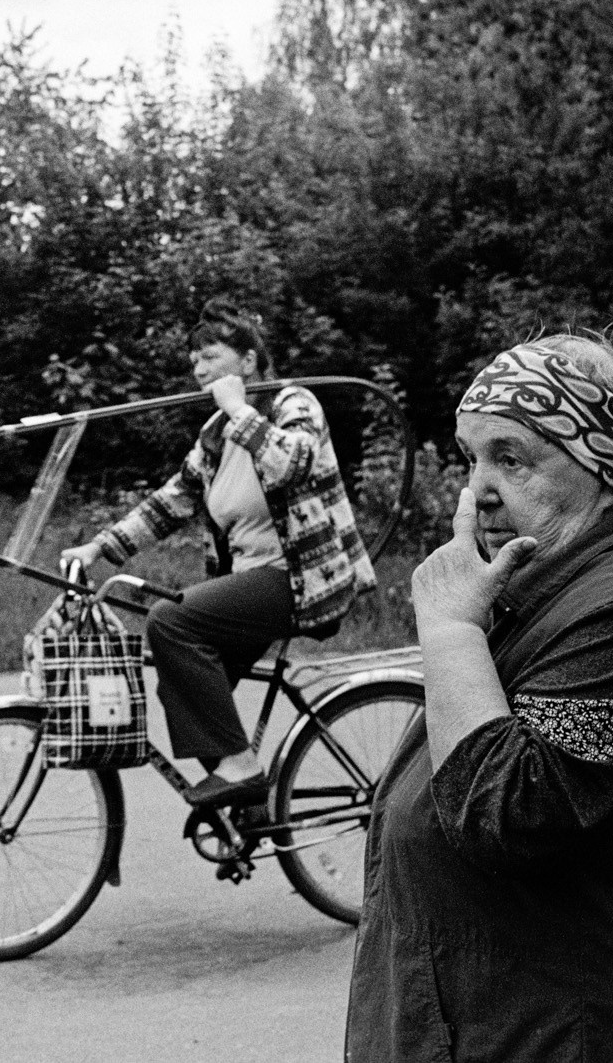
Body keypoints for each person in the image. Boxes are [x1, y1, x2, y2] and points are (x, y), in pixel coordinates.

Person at [346, 331, 613, 1061]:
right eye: (471, 457)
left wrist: (450, 630)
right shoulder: (540, 589)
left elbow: (508, 814)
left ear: (601, 466)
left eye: (511, 458)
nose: (477, 490)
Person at [60, 309, 377, 808]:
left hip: (302, 578)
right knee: (185, 690)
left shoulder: (294, 403)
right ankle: (249, 809)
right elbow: (171, 501)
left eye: (210, 357)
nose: (199, 370)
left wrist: (239, 409)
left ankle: (242, 770)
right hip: (253, 578)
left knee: (171, 622)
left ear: (248, 361)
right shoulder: (216, 432)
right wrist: (98, 547)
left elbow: (292, 463)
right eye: (194, 361)